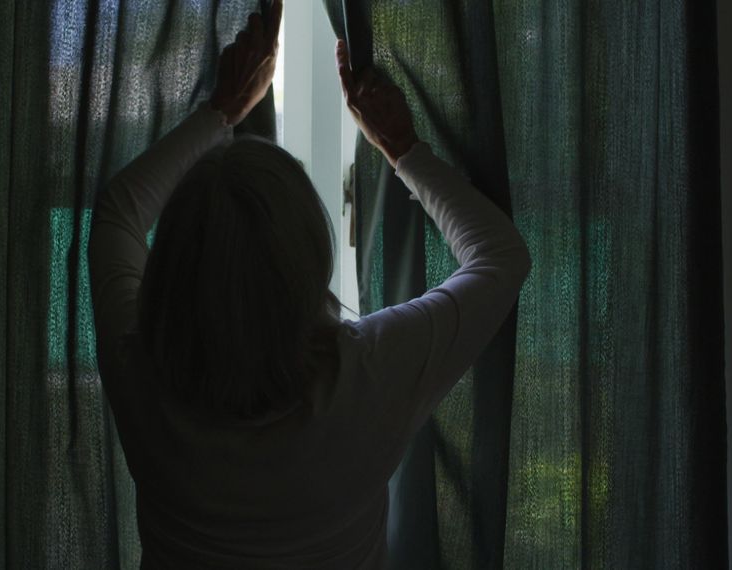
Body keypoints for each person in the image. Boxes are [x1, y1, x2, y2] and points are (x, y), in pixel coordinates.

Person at [87, 1, 531, 567]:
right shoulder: (369, 373)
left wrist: (219, 113)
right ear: (309, 263)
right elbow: (501, 256)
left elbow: (116, 215)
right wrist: (402, 148)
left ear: (172, 266)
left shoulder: (140, 373)